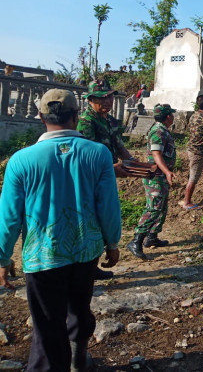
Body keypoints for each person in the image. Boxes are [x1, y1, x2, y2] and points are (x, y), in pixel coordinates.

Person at [0, 89, 121, 371]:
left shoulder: (21, 160)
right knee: (79, 308)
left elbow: (9, 218)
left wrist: (3, 258)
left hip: (42, 257)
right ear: (76, 116)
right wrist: (112, 242)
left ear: (41, 117)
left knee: (47, 324)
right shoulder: (98, 154)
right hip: (85, 252)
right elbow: (108, 205)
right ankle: (78, 360)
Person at [77, 79, 137, 280]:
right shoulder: (86, 122)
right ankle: (87, 266)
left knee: (104, 218)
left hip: (107, 176)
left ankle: (93, 264)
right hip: (90, 179)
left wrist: (133, 162)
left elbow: (119, 145)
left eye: (110, 96)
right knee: (91, 220)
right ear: (91, 100)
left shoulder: (110, 121)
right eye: (102, 98)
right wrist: (112, 168)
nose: (107, 101)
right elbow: (86, 157)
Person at [127, 104, 177, 260]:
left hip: (160, 175)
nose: (173, 117)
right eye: (172, 115)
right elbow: (156, 155)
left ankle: (152, 237)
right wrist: (168, 172)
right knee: (154, 207)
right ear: (168, 117)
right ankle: (136, 240)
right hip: (155, 175)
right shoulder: (158, 132)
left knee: (162, 206)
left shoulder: (162, 130)